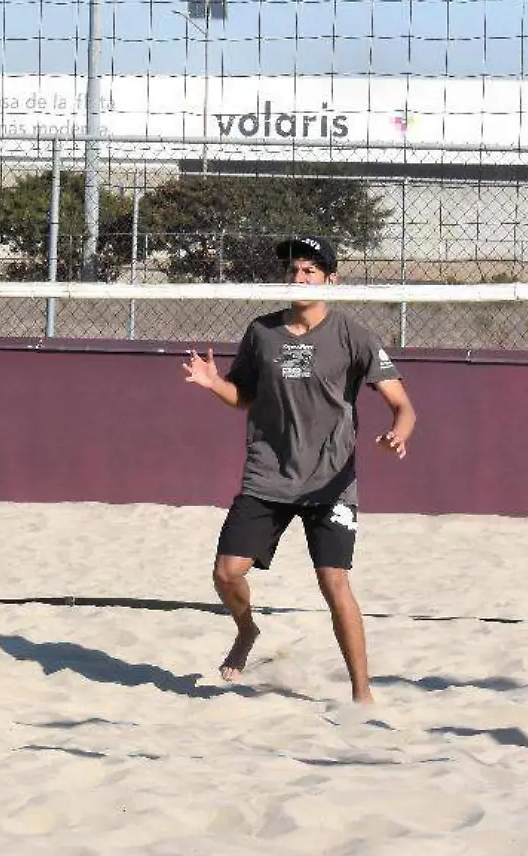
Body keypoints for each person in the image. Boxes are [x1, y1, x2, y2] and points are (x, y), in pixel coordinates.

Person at [182, 235, 416, 704]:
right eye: (292, 270)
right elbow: (243, 398)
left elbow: (402, 403)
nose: (298, 278)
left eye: (309, 271)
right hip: (269, 474)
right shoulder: (262, 332)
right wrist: (213, 385)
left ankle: (362, 695)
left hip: (331, 483)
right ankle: (247, 631)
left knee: (334, 582)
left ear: (332, 280)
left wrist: (400, 431)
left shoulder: (353, 334)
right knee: (227, 573)